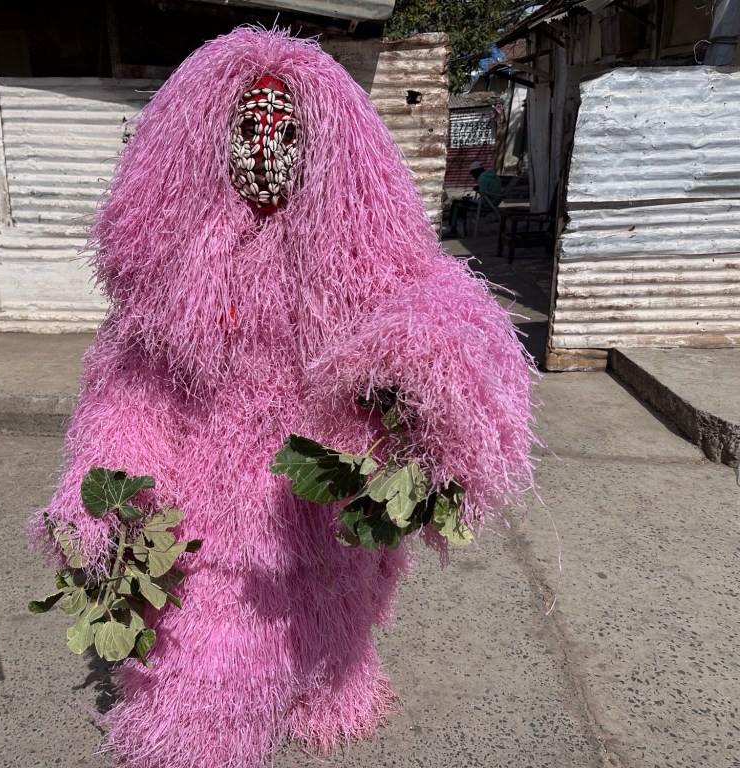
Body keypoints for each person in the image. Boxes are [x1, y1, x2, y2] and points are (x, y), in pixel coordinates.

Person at [29, 27, 537, 768]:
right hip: (216, 516)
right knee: (208, 677)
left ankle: (326, 688)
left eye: (288, 131)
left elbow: (423, 312)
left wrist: (425, 379)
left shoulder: (359, 257)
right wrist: (104, 494)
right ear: (199, 144)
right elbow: (134, 397)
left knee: (332, 630)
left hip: (321, 507)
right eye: (246, 130)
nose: (264, 153)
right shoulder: (170, 276)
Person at [446, 159, 502, 236]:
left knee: (456, 203)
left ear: (477, 171)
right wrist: (478, 189)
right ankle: (461, 229)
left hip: (489, 203)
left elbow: (483, 200)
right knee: (462, 203)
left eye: (473, 173)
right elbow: (489, 189)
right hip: (495, 200)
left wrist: (470, 200)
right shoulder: (492, 175)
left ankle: (453, 230)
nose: (473, 176)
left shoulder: (482, 178)